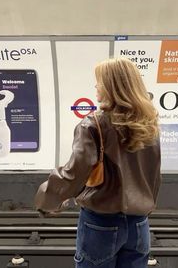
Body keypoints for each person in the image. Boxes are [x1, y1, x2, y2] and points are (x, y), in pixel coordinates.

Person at [35, 57, 161, 268]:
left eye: (99, 82)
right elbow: (154, 174)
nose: (96, 86)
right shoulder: (149, 123)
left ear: (112, 86)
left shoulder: (94, 124)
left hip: (101, 224)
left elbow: (74, 173)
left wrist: (47, 201)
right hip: (139, 224)